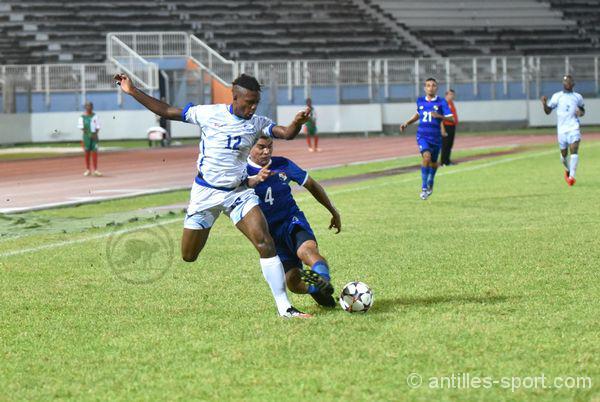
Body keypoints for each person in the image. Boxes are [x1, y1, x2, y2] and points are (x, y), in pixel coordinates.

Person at [114, 72, 313, 318]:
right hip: (205, 194)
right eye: (248, 102)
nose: (252, 107)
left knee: (265, 242)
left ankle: (285, 308)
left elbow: (286, 133)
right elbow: (167, 111)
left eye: (256, 103)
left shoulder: (257, 122)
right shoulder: (209, 113)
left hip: (239, 193)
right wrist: (132, 91)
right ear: (235, 97)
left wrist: (297, 123)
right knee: (189, 256)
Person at [247, 135, 341, 307]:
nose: (266, 151)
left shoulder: (282, 163)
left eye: (270, 146)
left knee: (306, 251)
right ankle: (316, 289)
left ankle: (323, 279)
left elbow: (311, 184)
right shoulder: (241, 172)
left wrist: (333, 211)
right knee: (293, 282)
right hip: (269, 234)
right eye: (261, 147)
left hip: (291, 219)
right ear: (249, 147)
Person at [400, 78, 454, 200]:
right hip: (422, 136)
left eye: (433, 85)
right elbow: (418, 115)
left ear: (437, 88)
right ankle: (424, 188)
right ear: (425, 88)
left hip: (436, 138)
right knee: (426, 157)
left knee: (434, 163)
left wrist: (439, 116)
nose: (431, 87)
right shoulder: (420, 101)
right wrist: (407, 123)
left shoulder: (441, 102)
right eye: (428, 85)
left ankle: (431, 180)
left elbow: (451, 119)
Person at [541, 75, 585, 186]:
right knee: (564, 155)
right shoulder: (557, 96)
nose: (568, 84)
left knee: (574, 150)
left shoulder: (578, 97)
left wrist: (580, 112)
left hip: (574, 127)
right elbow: (548, 111)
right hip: (561, 131)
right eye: (566, 82)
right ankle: (567, 169)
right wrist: (544, 104)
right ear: (563, 84)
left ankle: (572, 177)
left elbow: (583, 111)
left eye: (570, 82)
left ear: (573, 84)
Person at [77, 101, 101, 176]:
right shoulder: (82, 117)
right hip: (86, 137)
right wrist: (88, 134)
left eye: (90, 106)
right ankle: (88, 170)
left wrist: (95, 134)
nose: (89, 107)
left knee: (95, 152)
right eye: (87, 106)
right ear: (85, 107)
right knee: (87, 153)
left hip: (94, 137)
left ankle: (96, 170)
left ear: (92, 107)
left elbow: (98, 126)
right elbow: (81, 127)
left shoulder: (95, 116)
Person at [441, 89, 458, 166]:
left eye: (453, 94)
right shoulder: (443, 103)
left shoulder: (451, 103)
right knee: (445, 144)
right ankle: (443, 162)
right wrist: (442, 129)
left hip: (452, 126)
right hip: (446, 126)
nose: (452, 96)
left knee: (450, 144)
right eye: (450, 94)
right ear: (446, 95)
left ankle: (447, 160)